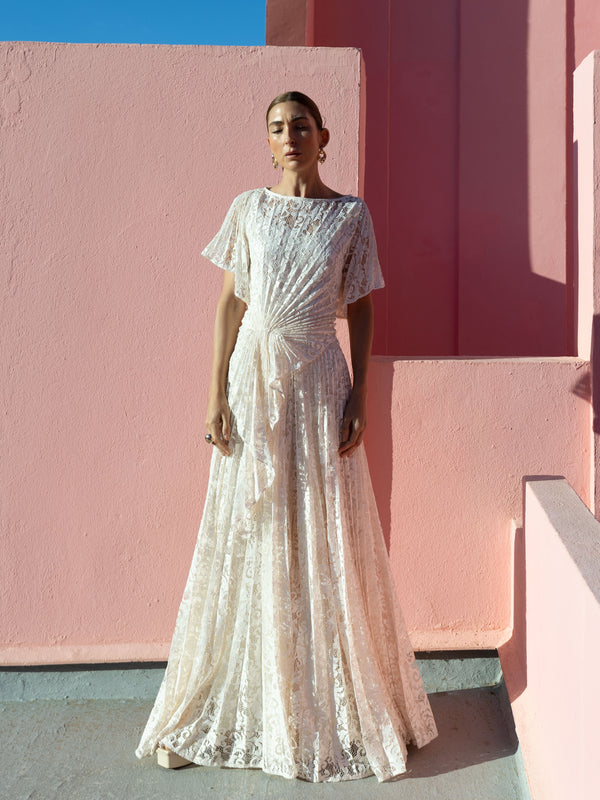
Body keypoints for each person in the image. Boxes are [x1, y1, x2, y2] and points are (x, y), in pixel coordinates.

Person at [135, 91, 438, 782]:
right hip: (252, 382)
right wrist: (214, 391)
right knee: (250, 529)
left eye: (300, 125)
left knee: (317, 533)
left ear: (322, 135)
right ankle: (224, 710)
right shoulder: (249, 209)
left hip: (317, 381)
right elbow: (228, 306)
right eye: (276, 127)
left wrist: (362, 390)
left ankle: (313, 712)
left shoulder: (349, 215)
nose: (289, 135)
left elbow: (358, 309)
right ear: (266, 142)